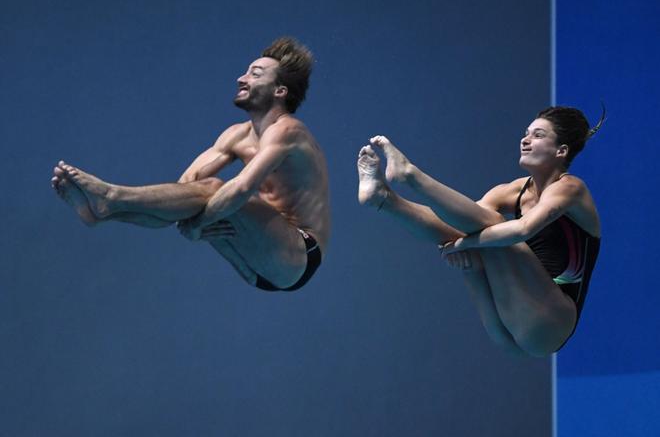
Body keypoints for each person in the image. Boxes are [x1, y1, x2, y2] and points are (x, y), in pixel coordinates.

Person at [52, 37, 330, 291]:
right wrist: (191, 221)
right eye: (245, 71)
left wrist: (198, 226)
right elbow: (183, 190)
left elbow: (243, 188)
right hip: (253, 267)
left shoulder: (288, 132)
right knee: (194, 195)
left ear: (280, 91)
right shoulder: (236, 135)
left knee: (217, 190)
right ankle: (105, 213)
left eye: (255, 74)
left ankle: (111, 196)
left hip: (297, 255)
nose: (241, 78)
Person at [357, 106, 604, 356]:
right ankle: (384, 200)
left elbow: (523, 229)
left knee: (494, 229)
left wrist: (466, 244)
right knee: (476, 234)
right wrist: (464, 242)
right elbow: (459, 224)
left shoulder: (571, 188)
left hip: (552, 322)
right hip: (509, 331)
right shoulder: (513, 190)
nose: (525, 140)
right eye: (526, 133)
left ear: (561, 151)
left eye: (538, 135)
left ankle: (410, 174)